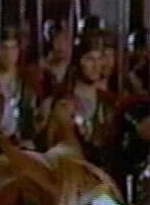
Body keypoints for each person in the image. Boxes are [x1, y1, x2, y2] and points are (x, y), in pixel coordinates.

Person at [38, 33, 116, 166]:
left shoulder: (108, 102)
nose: (96, 65)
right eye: (89, 59)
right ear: (78, 61)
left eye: (99, 58)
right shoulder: (60, 103)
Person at [0, 25, 43, 153]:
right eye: (4, 48)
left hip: (21, 145)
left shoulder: (27, 82)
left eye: (13, 48)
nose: (9, 54)